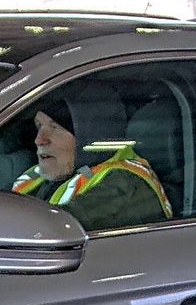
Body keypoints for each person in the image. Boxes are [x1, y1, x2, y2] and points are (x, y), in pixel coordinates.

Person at [11, 97, 173, 231]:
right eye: (39, 126)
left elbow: (48, 232)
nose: (39, 139)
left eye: (55, 127)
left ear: (88, 134)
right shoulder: (39, 176)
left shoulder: (125, 184)